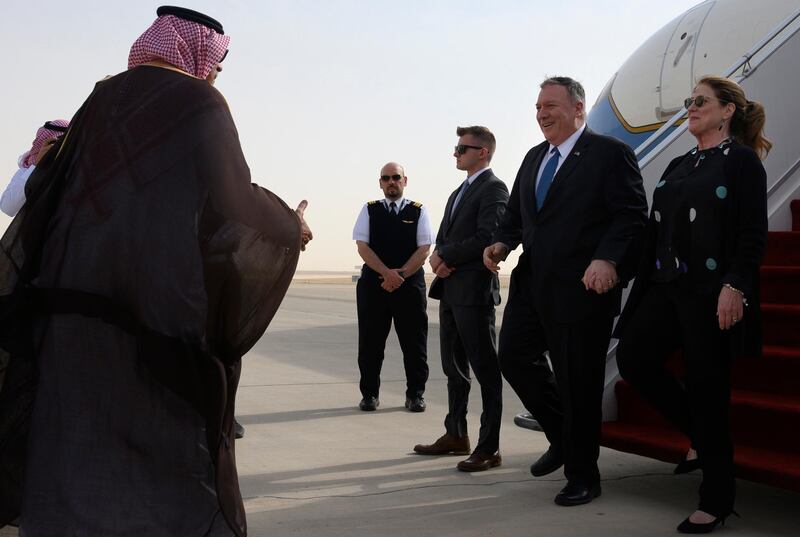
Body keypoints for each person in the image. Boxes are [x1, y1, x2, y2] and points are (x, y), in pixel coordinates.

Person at [0, 6, 311, 537]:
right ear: (196, 54)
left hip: (70, 304)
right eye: (215, 63)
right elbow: (231, 201)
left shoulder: (101, 98)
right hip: (153, 309)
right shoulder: (199, 103)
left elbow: (46, 190)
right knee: (169, 436)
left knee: (73, 426)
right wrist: (287, 225)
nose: (214, 73)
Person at [615, 75, 770, 533]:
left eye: (700, 101)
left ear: (727, 111)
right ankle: (700, 437)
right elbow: (655, 230)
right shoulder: (679, 163)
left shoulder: (742, 162)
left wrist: (735, 285)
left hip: (711, 291)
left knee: (708, 390)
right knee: (633, 358)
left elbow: (751, 234)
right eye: (690, 101)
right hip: (666, 285)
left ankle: (717, 499)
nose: (691, 107)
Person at [484, 77, 647, 504]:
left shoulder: (610, 154)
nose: (541, 113)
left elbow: (631, 215)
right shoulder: (535, 157)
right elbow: (519, 216)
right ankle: (562, 436)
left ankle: (583, 475)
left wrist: (607, 258)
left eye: (550, 105)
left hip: (583, 290)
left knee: (579, 383)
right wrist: (503, 242)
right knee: (515, 358)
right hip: (533, 285)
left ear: (578, 108)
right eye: (538, 106)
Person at [414, 126, 508, 472]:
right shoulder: (458, 192)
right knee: (453, 368)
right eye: (456, 148)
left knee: (486, 371)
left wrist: (446, 256)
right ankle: (456, 434)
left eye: (462, 148)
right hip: (451, 291)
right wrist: (439, 257)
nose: (456, 153)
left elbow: (488, 235)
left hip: (474, 293)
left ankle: (489, 447)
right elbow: (445, 237)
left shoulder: (494, 188)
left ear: (482, 152)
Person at [352, 162, 432, 412]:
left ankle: (415, 395)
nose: (391, 182)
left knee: (414, 344)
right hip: (374, 287)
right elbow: (362, 247)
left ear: (405, 180)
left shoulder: (418, 211)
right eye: (385, 178)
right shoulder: (369, 210)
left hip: (409, 287)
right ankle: (369, 395)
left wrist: (401, 275)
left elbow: (424, 248)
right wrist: (387, 274)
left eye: (395, 177)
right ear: (380, 183)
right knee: (370, 343)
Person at [1, 120, 69, 216]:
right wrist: (37, 166)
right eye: (54, 143)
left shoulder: (77, 170)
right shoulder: (26, 170)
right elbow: (8, 208)